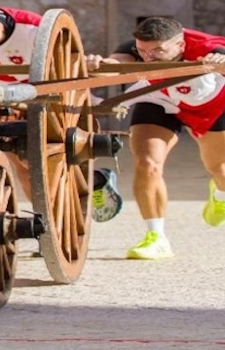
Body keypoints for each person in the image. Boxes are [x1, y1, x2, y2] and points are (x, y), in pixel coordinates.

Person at [87, 17, 225, 259]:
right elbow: (119, 61)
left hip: (210, 108)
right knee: (147, 163)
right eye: (143, 52)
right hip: (158, 101)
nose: (148, 58)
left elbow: (219, 52)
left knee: (219, 169)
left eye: (157, 51)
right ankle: (156, 237)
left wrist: (220, 60)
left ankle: (220, 195)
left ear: (180, 46)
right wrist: (98, 63)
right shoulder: (138, 49)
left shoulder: (206, 46)